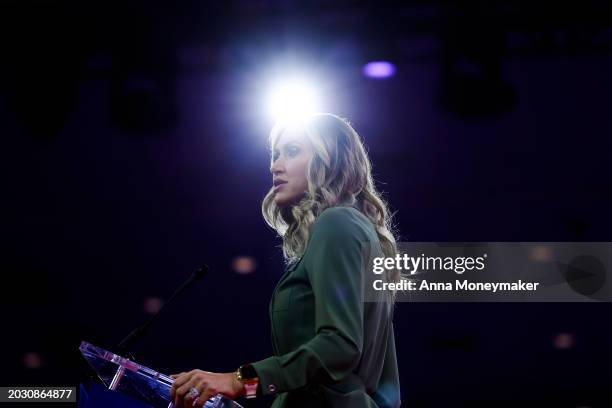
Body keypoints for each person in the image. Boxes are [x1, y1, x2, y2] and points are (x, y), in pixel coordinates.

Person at [171, 113, 401, 408]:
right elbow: (382, 387)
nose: (275, 166)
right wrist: (240, 390)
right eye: (275, 155)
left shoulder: (337, 224)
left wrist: (237, 381)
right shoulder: (355, 230)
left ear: (329, 159)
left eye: (291, 152)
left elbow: (340, 347)